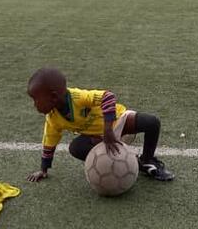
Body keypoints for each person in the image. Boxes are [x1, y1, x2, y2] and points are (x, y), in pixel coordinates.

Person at [26, 68, 174, 182]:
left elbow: (108, 97)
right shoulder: (52, 119)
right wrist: (43, 170)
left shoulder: (77, 97)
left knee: (151, 122)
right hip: (99, 138)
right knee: (76, 148)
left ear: (53, 96)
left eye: (36, 100)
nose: (35, 105)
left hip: (117, 122)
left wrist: (108, 130)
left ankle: (147, 160)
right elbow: (49, 144)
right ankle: (131, 162)